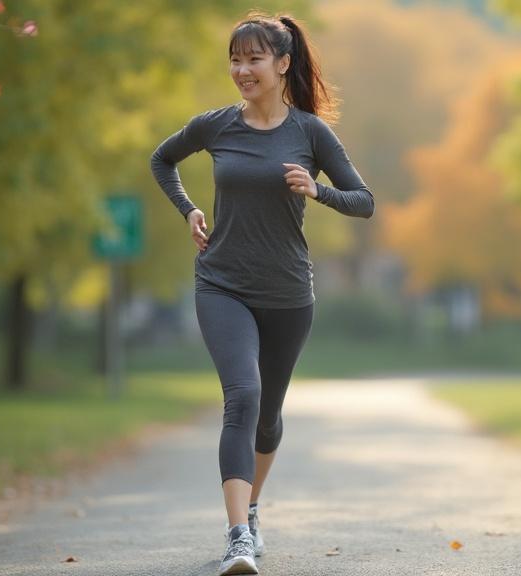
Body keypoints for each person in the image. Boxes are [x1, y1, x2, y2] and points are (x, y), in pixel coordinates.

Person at [149, 10, 374, 576]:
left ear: (282, 64)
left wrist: (316, 190)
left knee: (268, 418)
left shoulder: (310, 133)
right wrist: (189, 209)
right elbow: (162, 159)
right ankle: (236, 539)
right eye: (235, 59)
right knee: (242, 398)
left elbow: (364, 201)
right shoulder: (216, 125)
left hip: (288, 294)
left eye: (253, 59)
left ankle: (250, 511)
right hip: (221, 282)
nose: (242, 70)